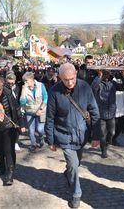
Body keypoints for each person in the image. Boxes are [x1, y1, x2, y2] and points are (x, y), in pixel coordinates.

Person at [45, 63, 100, 208]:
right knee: (74, 165)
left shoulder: (85, 87)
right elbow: (50, 117)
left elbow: (94, 112)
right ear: (60, 78)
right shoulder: (54, 92)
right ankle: (76, 194)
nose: (70, 82)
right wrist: (50, 140)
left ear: (76, 75)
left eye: (72, 79)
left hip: (82, 136)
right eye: (66, 80)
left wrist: (96, 136)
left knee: (76, 163)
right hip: (64, 136)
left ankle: (68, 172)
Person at [91, 69, 124, 158]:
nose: (106, 76)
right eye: (105, 74)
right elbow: (93, 88)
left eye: (108, 74)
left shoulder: (113, 83)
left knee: (112, 132)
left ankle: (107, 144)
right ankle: (103, 150)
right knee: (102, 134)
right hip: (101, 113)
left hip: (111, 113)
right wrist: (98, 77)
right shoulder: (98, 83)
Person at [20, 72, 48, 152]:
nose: (24, 83)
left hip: (41, 110)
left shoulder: (41, 85)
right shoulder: (24, 89)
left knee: (39, 129)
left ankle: (42, 137)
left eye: (26, 81)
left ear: (32, 80)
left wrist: (41, 109)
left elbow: (45, 98)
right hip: (29, 111)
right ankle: (33, 144)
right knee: (31, 130)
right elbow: (22, 102)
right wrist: (23, 90)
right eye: (24, 81)